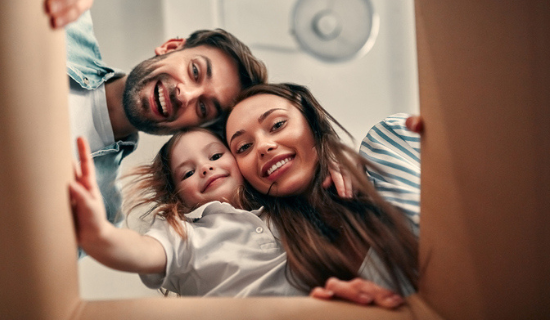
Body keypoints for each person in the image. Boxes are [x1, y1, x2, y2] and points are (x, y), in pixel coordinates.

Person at [69, 130, 404, 307]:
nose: (205, 167)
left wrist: (337, 164)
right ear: (178, 197)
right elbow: (142, 250)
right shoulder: (185, 231)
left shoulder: (280, 208)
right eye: (187, 172)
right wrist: (101, 236)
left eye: (216, 155)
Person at [44, 2, 268, 248]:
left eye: (203, 108)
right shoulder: (69, 24)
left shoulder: (100, 208)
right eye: (195, 71)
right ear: (170, 47)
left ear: (193, 128)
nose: (185, 95)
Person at [225, 83, 419, 300]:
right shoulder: (282, 269)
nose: (262, 146)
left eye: (278, 124)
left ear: (313, 123)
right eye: (243, 147)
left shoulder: (390, 141)